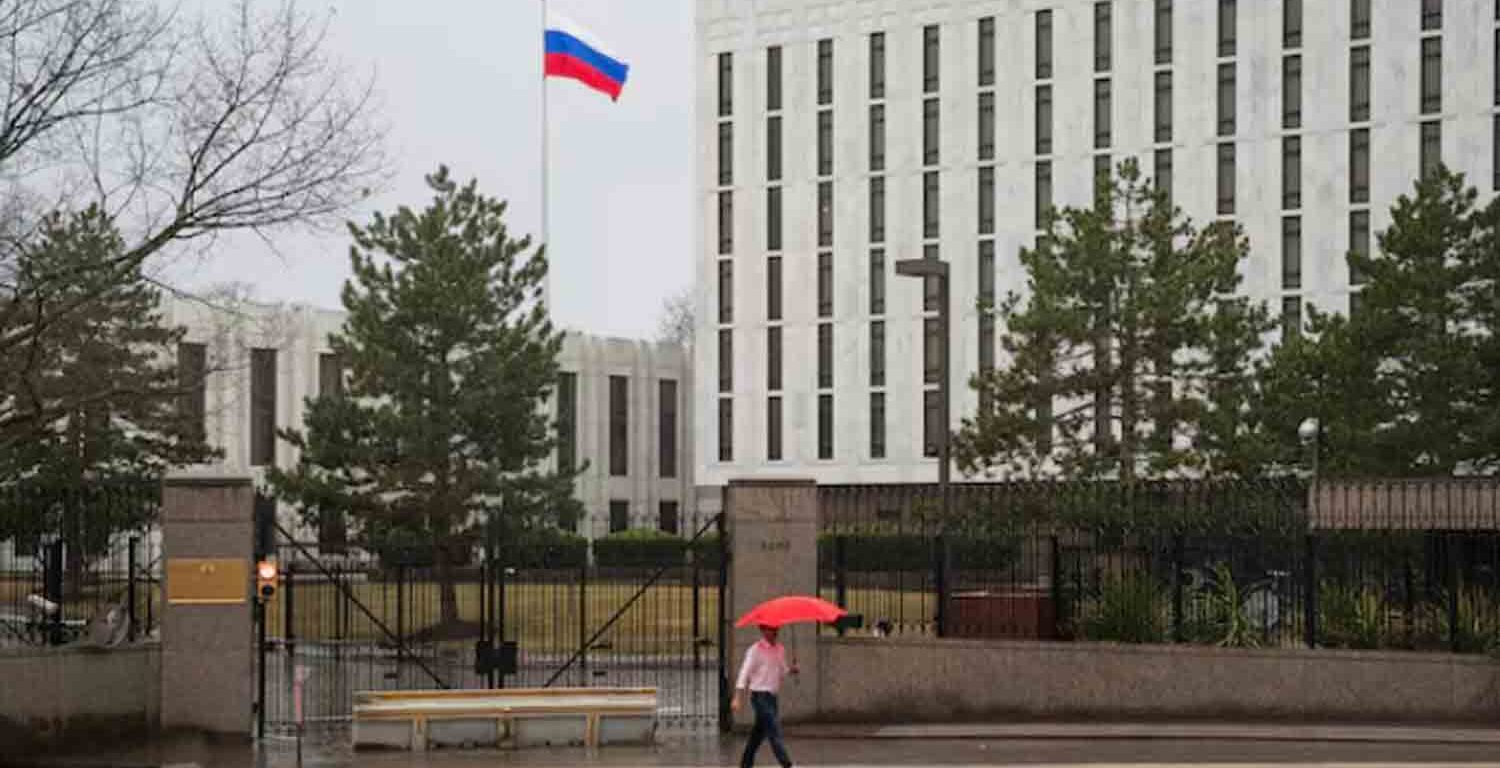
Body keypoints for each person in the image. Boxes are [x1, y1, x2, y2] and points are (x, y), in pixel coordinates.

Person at [732, 623, 798, 768]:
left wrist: (791, 670)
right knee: (774, 730)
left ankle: (745, 763)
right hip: (759, 696)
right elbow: (744, 672)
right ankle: (787, 764)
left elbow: (781, 671)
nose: (774, 632)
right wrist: (737, 696)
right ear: (762, 630)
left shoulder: (780, 649)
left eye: (776, 629)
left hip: (772, 697)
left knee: (758, 734)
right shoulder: (755, 650)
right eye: (770, 629)